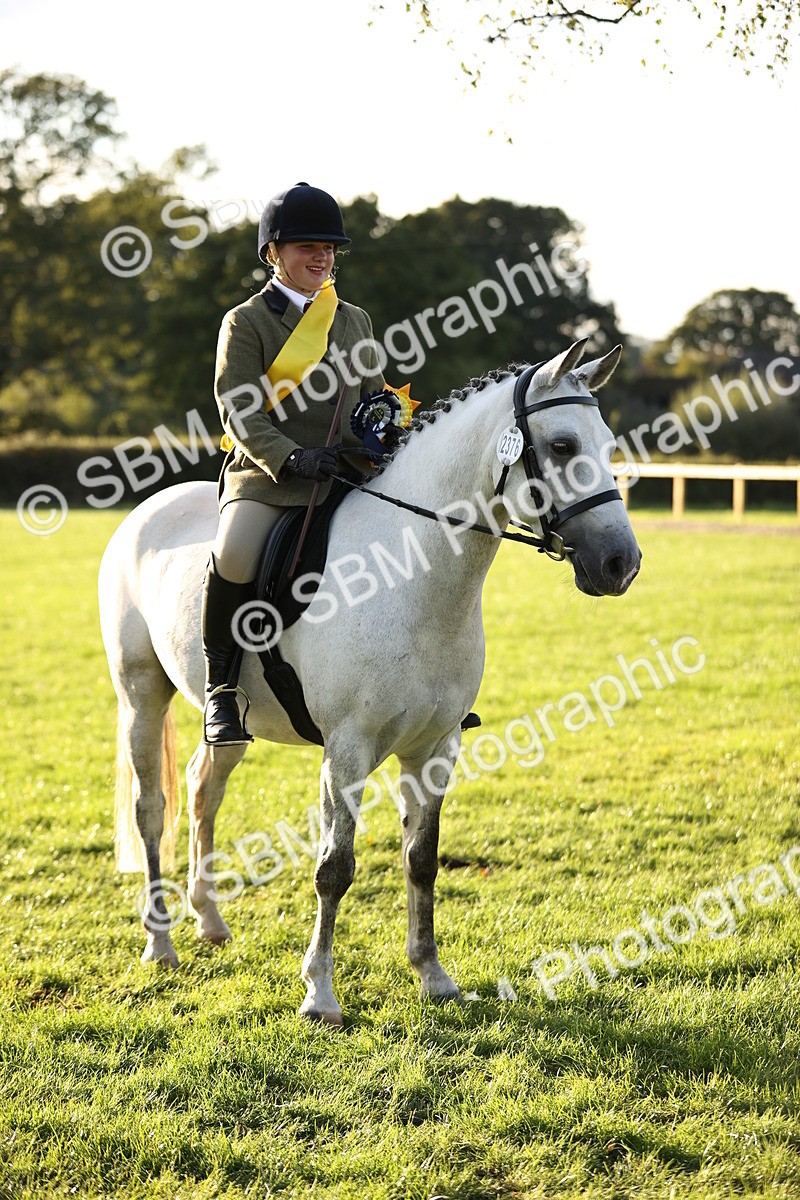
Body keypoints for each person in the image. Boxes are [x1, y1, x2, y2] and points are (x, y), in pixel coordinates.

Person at [203, 182, 386, 746]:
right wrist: (291, 456)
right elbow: (238, 411)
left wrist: (386, 433)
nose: (322, 257)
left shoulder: (353, 320)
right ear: (274, 252)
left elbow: (375, 398)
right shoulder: (246, 321)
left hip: (346, 475)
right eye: (308, 246)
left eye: (329, 248)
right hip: (270, 478)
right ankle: (221, 689)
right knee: (234, 552)